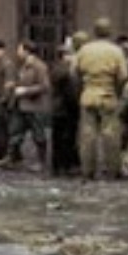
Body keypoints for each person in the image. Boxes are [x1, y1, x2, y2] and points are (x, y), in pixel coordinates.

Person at [72, 17, 128, 180]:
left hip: (88, 94)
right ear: (109, 32)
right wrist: (115, 90)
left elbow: (74, 73)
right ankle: (112, 171)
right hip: (108, 94)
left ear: (94, 31)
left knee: (87, 134)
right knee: (110, 134)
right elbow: (123, 76)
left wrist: (83, 88)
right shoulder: (116, 51)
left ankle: (87, 171)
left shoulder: (84, 50)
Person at [5, 39, 52, 168]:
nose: (17, 52)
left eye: (19, 49)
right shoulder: (22, 65)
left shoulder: (39, 66)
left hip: (34, 106)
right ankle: (12, 159)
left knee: (38, 134)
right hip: (21, 105)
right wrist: (14, 85)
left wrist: (26, 90)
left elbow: (44, 86)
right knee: (15, 132)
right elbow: (23, 81)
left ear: (27, 51)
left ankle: (41, 161)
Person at [48, 38, 82, 176]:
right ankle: (62, 165)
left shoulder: (63, 68)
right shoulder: (63, 69)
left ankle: (63, 165)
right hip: (64, 108)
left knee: (65, 137)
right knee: (63, 138)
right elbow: (69, 90)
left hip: (64, 108)